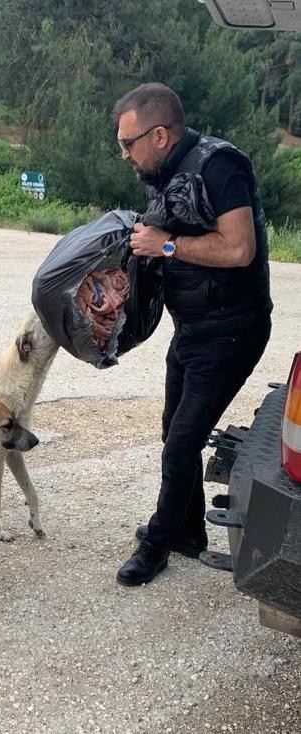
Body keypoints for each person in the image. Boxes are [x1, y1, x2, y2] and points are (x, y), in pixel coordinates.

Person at [112, 83, 273, 586]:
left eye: (128, 143)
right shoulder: (161, 172)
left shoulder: (220, 166)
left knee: (181, 444)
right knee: (173, 432)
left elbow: (238, 249)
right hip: (194, 331)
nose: (124, 154)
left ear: (159, 135)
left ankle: (158, 543)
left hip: (232, 332)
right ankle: (187, 531)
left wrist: (165, 247)